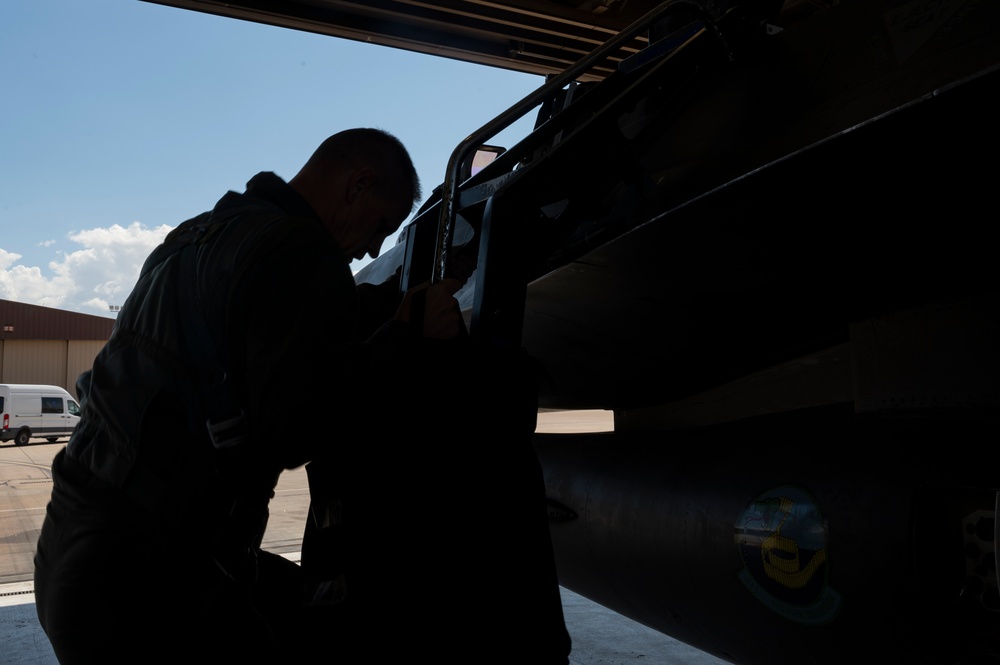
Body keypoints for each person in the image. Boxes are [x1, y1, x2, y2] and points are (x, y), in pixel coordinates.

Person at [32, 128, 471, 664]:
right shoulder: (303, 252)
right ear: (359, 184)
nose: (377, 246)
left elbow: (257, 334)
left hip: (77, 553)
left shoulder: (199, 236)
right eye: (383, 225)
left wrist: (381, 308)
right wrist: (404, 340)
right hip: (152, 579)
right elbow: (293, 430)